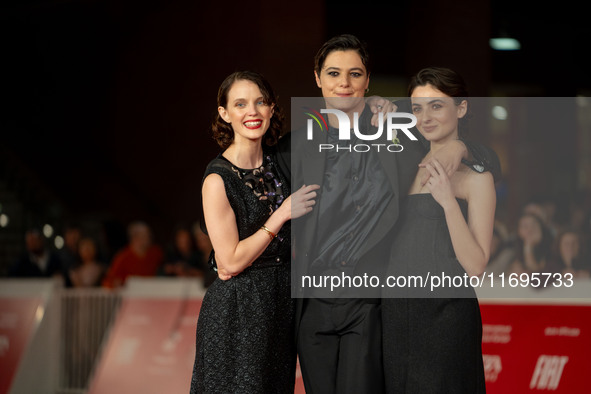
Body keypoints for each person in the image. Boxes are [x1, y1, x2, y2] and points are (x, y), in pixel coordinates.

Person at [278, 35, 501, 394]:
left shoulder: (401, 143)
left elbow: (478, 158)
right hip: (345, 306)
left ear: (367, 81)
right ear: (317, 77)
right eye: (334, 72)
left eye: (355, 74)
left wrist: (461, 146)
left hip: (396, 306)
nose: (344, 82)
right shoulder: (300, 146)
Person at [190, 70, 318, 393]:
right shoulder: (217, 180)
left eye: (261, 102)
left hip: (278, 311)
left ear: (272, 108)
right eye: (241, 104)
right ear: (224, 113)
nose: (253, 111)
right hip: (237, 312)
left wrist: (378, 113)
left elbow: (329, 133)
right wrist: (281, 215)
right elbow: (229, 262)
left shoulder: (281, 162)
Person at [382, 67, 495, 393]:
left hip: (446, 318)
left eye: (436, 105)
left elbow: (475, 266)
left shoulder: (477, 179)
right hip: (395, 315)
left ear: (460, 108)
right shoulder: (405, 166)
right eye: (417, 108)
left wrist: (447, 202)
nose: (425, 117)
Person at [101, 221, 164, 288]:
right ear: (135, 238)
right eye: (144, 236)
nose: (148, 239)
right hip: (131, 295)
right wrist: (115, 284)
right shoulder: (123, 257)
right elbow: (109, 281)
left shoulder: (155, 252)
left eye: (149, 236)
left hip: (150, 293)